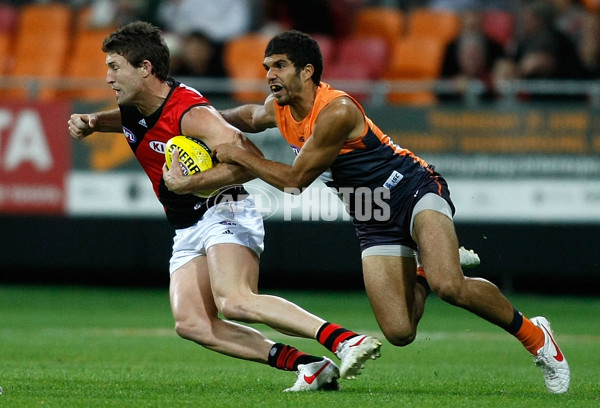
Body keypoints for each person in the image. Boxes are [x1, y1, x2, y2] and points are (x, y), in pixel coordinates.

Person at [165, 30, 570, 394]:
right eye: (267, 66)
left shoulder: (336, 110)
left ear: (307, 71)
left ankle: (536, 337)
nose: (270, 74)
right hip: (371, 215)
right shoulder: (280, 106)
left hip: (411, 189)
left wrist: (236, 154)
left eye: (280, 66)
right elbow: (250, 116)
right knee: (399, 332)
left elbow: (295, 180)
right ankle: (422, 269)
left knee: (452, 285)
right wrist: (195, 120)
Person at [67, 21, 383, 392]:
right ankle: (311, 365)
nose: (108, 77)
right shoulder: (136, 104)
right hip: (186, 224)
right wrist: (94, 122)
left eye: (115, 67)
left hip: (224, 209)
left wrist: (190, 184)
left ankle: (344, 340)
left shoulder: (190, 112)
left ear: (146, 68)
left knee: (235, 301)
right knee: (192, 323)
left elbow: (246, 161)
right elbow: (131, 120)